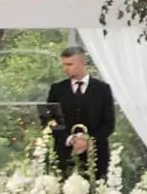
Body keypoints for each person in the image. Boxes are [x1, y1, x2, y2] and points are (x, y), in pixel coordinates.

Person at [46, 44, 116, 181]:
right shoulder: (57, 89)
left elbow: (109, 123)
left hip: (96, 157)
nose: (65, 68)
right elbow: (50, 120)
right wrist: (69, 139)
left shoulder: (103, 89)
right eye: (64, 64)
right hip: (64, 155)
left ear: (82, 63)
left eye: (70, 64)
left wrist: (88, 141)